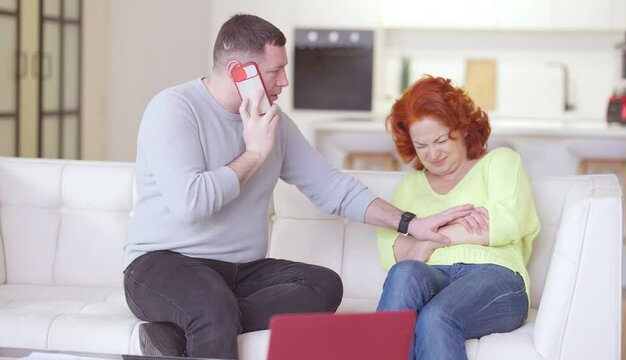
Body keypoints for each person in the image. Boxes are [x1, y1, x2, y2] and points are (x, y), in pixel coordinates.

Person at [123, 15, 474, 360]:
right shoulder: (173, 109)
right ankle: (209, 321)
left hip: (238, 273)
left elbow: (333, 188)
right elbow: (192, 204)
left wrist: (410, 224)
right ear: (238, 72)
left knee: (323, 286)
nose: (285, 81)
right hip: (163, 265)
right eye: (275, 71)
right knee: (212, 307)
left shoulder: (276, 125)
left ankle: (181, 333)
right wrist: (254, 153)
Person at [376, 75, 540, 360]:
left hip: (495, 276)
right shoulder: (409, 186)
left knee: (437, 316)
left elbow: (508, 222)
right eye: (422, 145)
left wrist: (430, 238)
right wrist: (466, 228)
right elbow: (392, 252)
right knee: (403, 274)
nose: (433, 153)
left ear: (463, 129)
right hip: (433, 277)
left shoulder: (499, 162)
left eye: (441, 139)